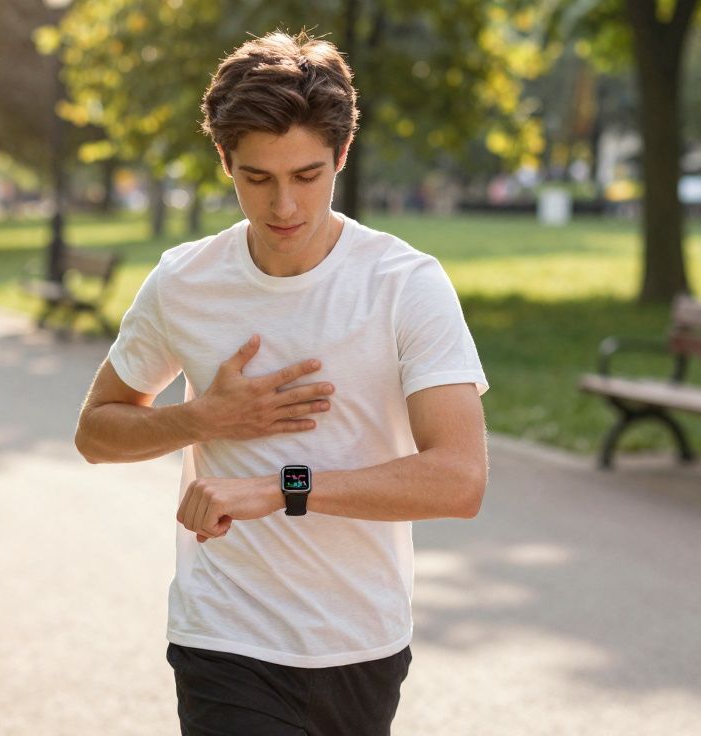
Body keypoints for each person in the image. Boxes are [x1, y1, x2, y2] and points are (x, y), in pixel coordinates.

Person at [73, 32, 489, 735]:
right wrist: (201, 420)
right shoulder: (184, 281)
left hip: (360, 640)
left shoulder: (404, 286)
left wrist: (281, 488)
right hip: (224, 637)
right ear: (225, 161)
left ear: (342, 157)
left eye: (307, 175)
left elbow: (460, 478)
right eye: (257, 179)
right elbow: (96, 432)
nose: (284, 206)